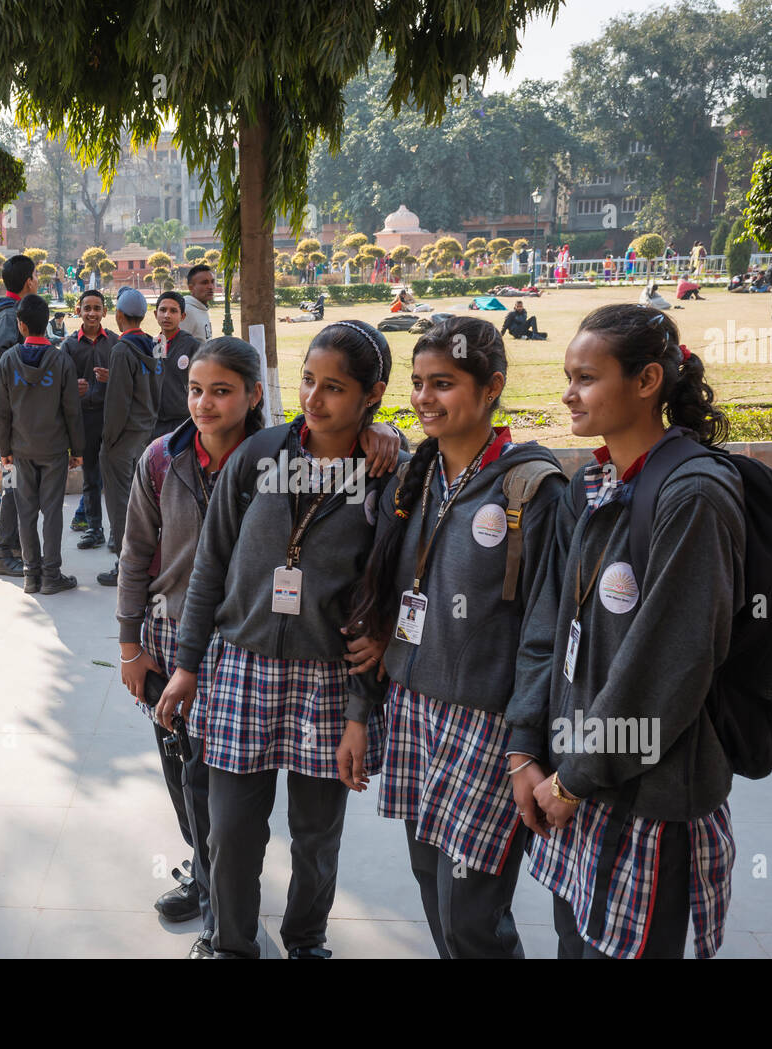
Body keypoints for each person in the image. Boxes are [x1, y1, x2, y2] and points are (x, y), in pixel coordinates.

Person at [154, 320, 401, 961]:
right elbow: (211, 564)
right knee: (232, 829)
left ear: (371, 395)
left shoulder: (381, 478)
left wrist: (358, 712)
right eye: (309, 381)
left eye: (336, 389)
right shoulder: (260, 456)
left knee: (316, 833)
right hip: (240, 666)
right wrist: (186, 667)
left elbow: (383, 599)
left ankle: (306, 941)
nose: (315, 401)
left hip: (329, 677)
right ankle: (230, 943)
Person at [508, 303, 743, 959]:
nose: (567, 393)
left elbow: (668, 665)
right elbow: (551, 628)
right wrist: (528, 747)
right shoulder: (594, 479)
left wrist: (575, 777)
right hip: (578, 789)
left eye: (586, 377)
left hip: (649, 802)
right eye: (567, 375)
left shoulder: (693, 494)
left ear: (646, 382)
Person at [340, 317, 565, 958]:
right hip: (414, 711)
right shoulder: (415, 475)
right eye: (416, 384)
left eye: (443, 384)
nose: (424, 399)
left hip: (490, 727)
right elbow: (383, 604)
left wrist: (526, 747)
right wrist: (361, 714)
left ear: (491, 387)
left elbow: (545, 630)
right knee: (431, 886)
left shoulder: (534, 490)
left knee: (472, 915)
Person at [117, 336, 268, 960]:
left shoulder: (281, 458)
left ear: (253, 395)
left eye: (222, 391)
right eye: (196, 390)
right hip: (167, 637)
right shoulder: (161, 458)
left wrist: (381, 436)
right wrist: (130, 645)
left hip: (241, 651)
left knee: (217, 792)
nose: (204, 404)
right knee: (183, 777)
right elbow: (133, 556)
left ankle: (224, 918)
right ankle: (206, 878)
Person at [0, 294, 83, 595]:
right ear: (47, 323)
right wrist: (78, 450)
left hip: (19, 453)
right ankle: (51, 575)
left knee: (25, 511)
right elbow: (72, 409)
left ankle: (31, 576)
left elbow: (2, 411)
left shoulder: (8, 360)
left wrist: (3, 450)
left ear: (21, 325)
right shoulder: (61, 360)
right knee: (53, 512)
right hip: (55, 451)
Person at [0, 254, 39, 578]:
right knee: (13, 481)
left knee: (17, 479)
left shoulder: (8, 310)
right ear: (29, 280)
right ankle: (2, 551)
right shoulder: (8, 314)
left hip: (9, 411)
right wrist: (23, 378)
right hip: (9, 413)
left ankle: (12, 547)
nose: (38, 281)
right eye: (37, 276)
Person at [98, 288, 162, 587]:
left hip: (122, 437)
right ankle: (146, 560)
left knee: (120, 502)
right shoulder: (152, 345)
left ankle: (126, 566)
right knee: (142, 502)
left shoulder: (122, 350)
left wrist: (108, 439)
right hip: (146, 431)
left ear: (119, 315)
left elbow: (118, 402)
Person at [62, 289, 116, 550]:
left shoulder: (116, 343)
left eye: (97, 308)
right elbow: (59, 386)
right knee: (91, 477)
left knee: (116, 478)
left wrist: (112, 379)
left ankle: (119, 531)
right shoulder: (69, 345)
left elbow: (130, 383)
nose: (92, 313)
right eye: (87, 308)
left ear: (105, 312)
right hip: (86, 421)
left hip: (112, 419)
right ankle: (94, 528)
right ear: (78, 311)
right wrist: (74, 387)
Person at [151, 291, 201, 438]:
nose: (167, 315)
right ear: (155, 314)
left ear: (182, 316)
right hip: (156, 423)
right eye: (163, 310)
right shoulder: (153, 344)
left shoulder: (192, 346)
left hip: (184, 422)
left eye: (173, 311)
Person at [181, 264, 215, 342]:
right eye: (204, 283)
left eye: (212, 282)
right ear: (191, 287)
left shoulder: (201, 308)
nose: (211, 286)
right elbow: (179, 347)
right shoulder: (187, 311)